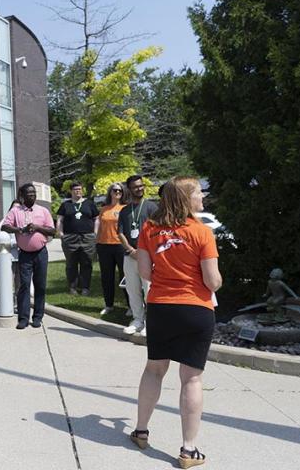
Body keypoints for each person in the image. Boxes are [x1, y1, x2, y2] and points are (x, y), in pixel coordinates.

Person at [131, 177, 221, 469]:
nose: (202, 197)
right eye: (198, 193)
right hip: (196, 309)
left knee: (154, 369)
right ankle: (188, 450)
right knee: (191, 378)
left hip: (161, 307)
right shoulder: (201, 232)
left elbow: (145, 272)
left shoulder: (149, 229)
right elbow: (213, 281)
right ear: (186, 199)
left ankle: (141, 430)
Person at [1, 183, 56, 329]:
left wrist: (37, 228)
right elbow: (4, 226)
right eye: (29, 193)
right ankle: (23, 318)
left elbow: (52, 231)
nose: (32, 195)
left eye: (34, 193)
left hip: (41, 253)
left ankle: (37, 317)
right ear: (22, 196)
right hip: (24, 254)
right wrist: (20, 229)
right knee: (24, 286)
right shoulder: (15, 211)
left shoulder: (43, 211)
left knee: (40, 285)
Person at [118, 175, 158, 336]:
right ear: (129, 189)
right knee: (132, 289)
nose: (139, 189)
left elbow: (157, 232)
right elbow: (120, 233)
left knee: (149, 290)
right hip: (129, 256)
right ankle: (137, 320)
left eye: (141, 186)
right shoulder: (125, 210)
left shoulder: (151, 207)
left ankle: (150, 322)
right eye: (135, 187)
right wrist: (130, 250)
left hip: (147, 257)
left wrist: (142, 252)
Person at [56, 181, 99, 295]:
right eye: (75, 189)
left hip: (87, 237)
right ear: (71, 191)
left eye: (80, 189)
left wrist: (95, 232)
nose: (78, 191)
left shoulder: (89, 203)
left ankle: (85, 287)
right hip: (70, 238)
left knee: (87, 263)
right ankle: (72, 287)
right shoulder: (66, 205)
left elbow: (97, 219)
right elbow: (60, 219)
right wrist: (60, 233)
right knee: (71, 263)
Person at [96, 184, 127, 315]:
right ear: (110, 192)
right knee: (106, 277)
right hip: (104, 246)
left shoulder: (125, 208)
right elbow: (100, 228)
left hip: (120, 245)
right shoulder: (103, 209)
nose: (117, 192)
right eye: (115, 190)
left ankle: (131, 306)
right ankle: (109, 305)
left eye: (120, 190)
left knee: (125, 276)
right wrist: (96, 243)